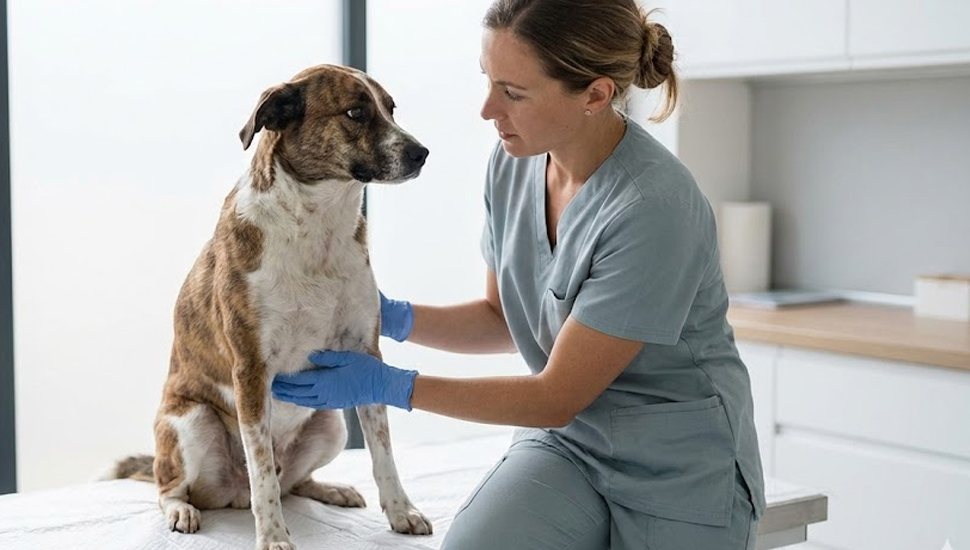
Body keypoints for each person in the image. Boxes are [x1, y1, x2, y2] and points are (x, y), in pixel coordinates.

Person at [272, 0, 766, 548]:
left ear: (595, 95)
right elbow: (502, 318)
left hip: (677, 465)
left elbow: (555, 395)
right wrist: (387, 316)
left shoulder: (653, 207)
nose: (487, 109)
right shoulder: (514, 161)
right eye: (488, 79)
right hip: (571, 443)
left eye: (513, 92)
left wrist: (393, 386)